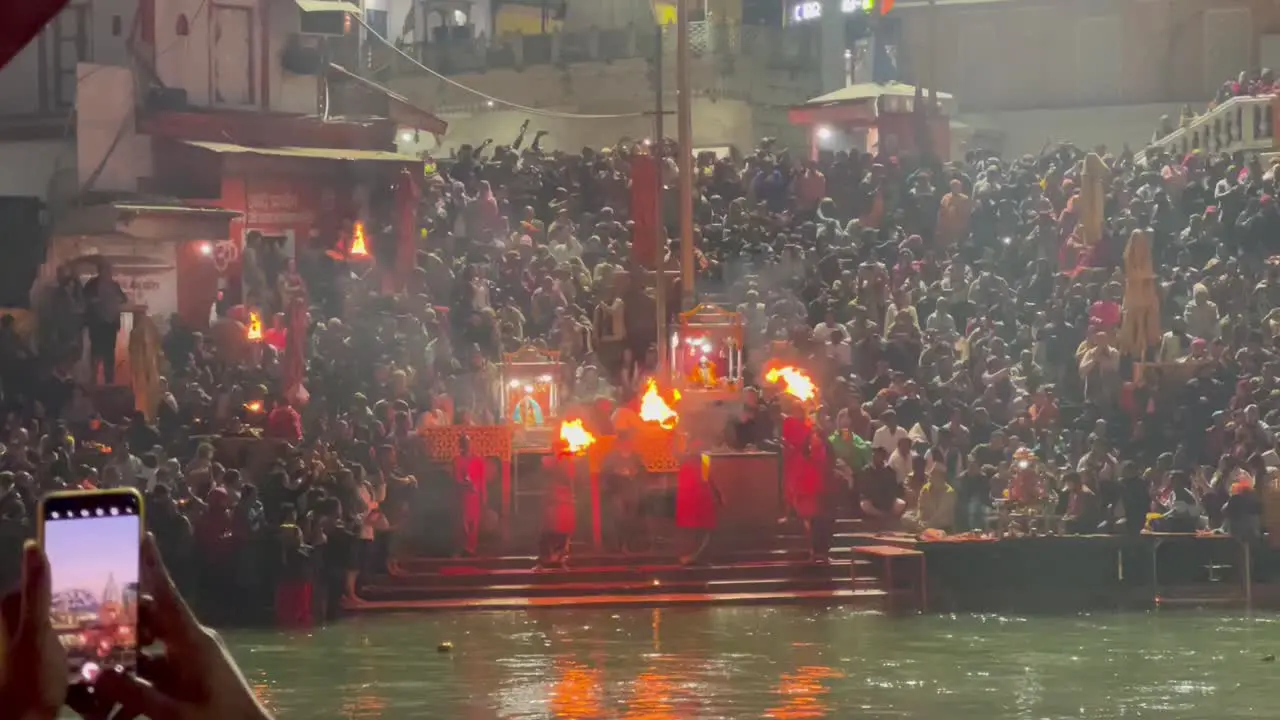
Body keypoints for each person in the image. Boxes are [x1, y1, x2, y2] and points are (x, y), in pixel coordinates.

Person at [82, 258, 127, 385]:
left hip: (110, 324)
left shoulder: (114, 285)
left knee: (109, 354)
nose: (108, 273)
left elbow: (123, 299)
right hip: (97, 324)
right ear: (100, 271)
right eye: (106, 270)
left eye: (109, 270)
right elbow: (85, 299)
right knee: (96, 353)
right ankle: (93, 381)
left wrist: (115, 301)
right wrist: (95, 301)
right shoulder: (92, 284)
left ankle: (109, 382)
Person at [858, 447, 905, 530]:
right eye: (875, 455)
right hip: (871, 500)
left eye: (879, 455)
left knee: (901, 504)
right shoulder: (866, 470)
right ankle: (881, 515)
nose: (876, 457)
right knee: (864, 505)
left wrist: (888, 500)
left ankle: (889, 517)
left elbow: (893, 489)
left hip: (886, 501)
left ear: (883, 457)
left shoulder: (890, 471)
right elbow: (863, 490)